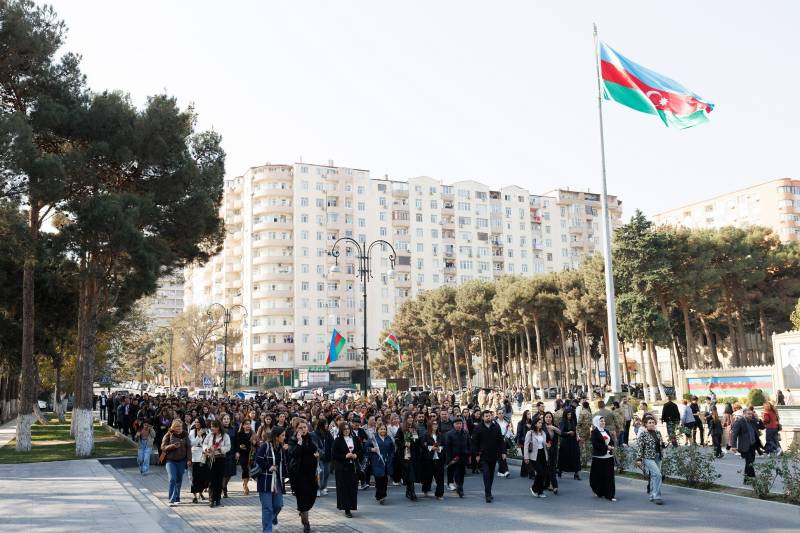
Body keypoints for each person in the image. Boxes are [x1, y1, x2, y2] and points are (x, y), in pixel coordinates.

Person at [255, 427, 288, 533]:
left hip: (277, 480)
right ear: (276, 437)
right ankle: (267, 530)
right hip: (265, 480)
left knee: (279, 505)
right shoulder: (266, 446)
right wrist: (269, 466)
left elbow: (285, 464)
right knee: (267, 508)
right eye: (282, 435)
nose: (284, 437)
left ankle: (271, 519)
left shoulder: (281, 448)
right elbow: (258, 459)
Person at [287, 419, 318, 533]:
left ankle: (303, 510)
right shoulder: (293, 439)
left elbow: (315, 449)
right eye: (300, 428)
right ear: (296, 429)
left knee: (311, 497)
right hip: (298, 475)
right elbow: (294, 454)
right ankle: (306, 523)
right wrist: (299, 442)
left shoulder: (311, 438)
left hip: (310, 474)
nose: (303, 429)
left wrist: (317, 454)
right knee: (303, 501)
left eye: (305, 427)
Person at [471, 409, 506, 503]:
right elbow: (474, 443)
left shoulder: (496, 427)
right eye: (486, 416)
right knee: (486, 474)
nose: (488, 417)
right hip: (483, 456)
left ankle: (488, 491)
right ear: (483, 417)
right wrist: (476, 455)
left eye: (489, 416)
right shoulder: (478, 428)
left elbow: (500, 441)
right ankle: (488, 494)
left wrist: (503, 452)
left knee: (491, 475)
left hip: (493, 455)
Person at [333, 422, 362, 517]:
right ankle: (346, 509)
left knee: (353, 487)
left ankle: (352, 506)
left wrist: (356, 455)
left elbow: (360, 450)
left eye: (348, 429)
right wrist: (344, 456)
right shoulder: (338, 440)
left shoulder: (355, 439)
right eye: (344, 429)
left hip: (353, 467)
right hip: (342, 468)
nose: (346, 431)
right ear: (341, 430)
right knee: (344, 488)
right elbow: (334, 454)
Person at [161, 419, 191, 506]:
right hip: (170, 461)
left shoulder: (185, 435)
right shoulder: (169, 434)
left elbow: (189, 448)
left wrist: (189, 459)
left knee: (179, 479)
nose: (179, 428)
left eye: (180, 427)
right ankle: (171, 499)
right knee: (172, 478)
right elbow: (163, 447)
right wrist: (172, 446)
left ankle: (177, 497)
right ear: (173, 427)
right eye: (177, 426)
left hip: (182, 461)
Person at [635, 415, 664, 505]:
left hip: (658, 457)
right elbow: (640, 447)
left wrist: (663, 444)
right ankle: (657, 496)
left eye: (653, 423)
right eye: (649, 423)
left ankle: (652, 495)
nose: (651, 424)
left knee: (653, 476)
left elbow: (660, 444)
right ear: (646, 424)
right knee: (658, 475)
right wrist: (639, 459)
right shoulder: (643, 434)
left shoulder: (658, 433)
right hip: (648, 458)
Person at [203, 419, 231, 507]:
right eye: (211, 427)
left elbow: (228, 447)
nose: (212, 428)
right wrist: (206, 449)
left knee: (219, 480)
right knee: (211, 480)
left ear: (218, 427)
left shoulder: (225, 436)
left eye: (214, 427)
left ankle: (218, 499)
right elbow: (204, 443)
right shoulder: (209, 435)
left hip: (220, 459)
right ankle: (211, 499)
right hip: (211, 459)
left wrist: (220, 449)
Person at [589, 415, 616, 502]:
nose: (603, 422)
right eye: (601, 421)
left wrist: (611, 446)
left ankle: (610, 495)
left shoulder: (606, 431)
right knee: (598, 476)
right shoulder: (594, 432)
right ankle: (599, 491)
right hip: (599, 457)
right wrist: (606, 448)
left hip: (609, 457)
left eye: (604, 421)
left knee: (609, 476)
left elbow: (611, 442)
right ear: (597, 422)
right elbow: (595, 445)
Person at [524, 416, 549, 498]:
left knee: (543, 473)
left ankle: (540, 491)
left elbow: (543, 444)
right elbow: (526, 445)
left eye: (541, 423)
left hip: (542, 454)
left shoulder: (543, 433)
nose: (541, 424)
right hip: (534, 456)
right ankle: (534, 488)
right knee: (540, 472)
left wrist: (547, 445)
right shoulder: (530, 433)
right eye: (539, 423)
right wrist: (526, 457)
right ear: (535, 424)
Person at [421, 419, 446, 500]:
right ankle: (425, 489)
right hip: (429, 459)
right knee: (428, 476)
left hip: (439, 458)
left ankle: (439, 494)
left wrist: (440, 448)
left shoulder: (440, 435)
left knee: (440, 477)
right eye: (433, 424)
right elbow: (423, 445)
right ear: (430, 426)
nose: (435, 425)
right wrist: (431, 448)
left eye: (436, 424)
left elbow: (444, 444)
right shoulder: (425, 434)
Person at [370, 423, 395, 504]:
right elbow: (366, 447)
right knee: (379, 479)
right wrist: (372, 449)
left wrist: (391, 456)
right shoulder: (374, 438)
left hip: (387, 462)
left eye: (384, 429)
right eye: (381, 429)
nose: (383, 430)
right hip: (377, 461)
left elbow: (392, 449)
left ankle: (382, 495)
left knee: (385, 480)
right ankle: (380, 495)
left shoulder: (388, 438)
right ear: (378, 430)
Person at [731, 408, 758, 482]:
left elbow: (761, 426)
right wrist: (733, 445)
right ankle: (753, 478)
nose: (750, 415)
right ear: (744, 414)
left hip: (752, 445)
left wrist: (756, 417)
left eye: (751, 414)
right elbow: (734, 434)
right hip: (744, 446)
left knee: (750, 462)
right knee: (749, 462)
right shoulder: (739, 422)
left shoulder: (752, 421)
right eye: (748, 414)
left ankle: (746, 479)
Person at [445, 417, 469, 498]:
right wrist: (449, 460)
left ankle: (460, 485)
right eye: (457, 424)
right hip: (454, 457)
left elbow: (469, 444)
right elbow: (447, 448)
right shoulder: (449, 434)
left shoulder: (465, 433)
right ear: (453, 425)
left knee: (462, 473)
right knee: (457, 473)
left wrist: (469, 454)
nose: (459, 425)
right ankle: (459, 488)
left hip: (464, 456)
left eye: (460, 424)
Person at [397, 416, 419, 501]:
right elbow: (397, 440)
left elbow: (417, 441)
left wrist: (413, 438)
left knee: (412, 472)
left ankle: (411, 491)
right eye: (408, 418)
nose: (410, 419)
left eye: (411, 418)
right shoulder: (401, 429)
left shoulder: (414, 429)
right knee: (408, 473)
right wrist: (404, 444)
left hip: (413, 454)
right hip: (404, 454)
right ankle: (409, 490)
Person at [311, 417, 334, 497]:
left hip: (327, 456)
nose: (327, 425)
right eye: (326, 424)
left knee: (327, 473)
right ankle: (317, 488)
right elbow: (315, 446)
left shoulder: (328, 433)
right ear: (322, 425)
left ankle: (323, 487)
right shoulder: (314, 434)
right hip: (319, 457)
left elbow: (332, 443)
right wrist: (321, 452)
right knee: (320, 472)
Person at [189, 418, 209, 503]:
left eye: (198, 422)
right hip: (194, 456)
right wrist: (198, 436)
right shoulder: (192, 432)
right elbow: (192, 443)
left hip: (203, 455)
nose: (197, 423)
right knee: (195, 476)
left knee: (203, 476)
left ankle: (200, 492)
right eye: (195, 422)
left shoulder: (207, 432)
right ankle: (194, 495)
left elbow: (207, 443)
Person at [558, 409, 581, 480]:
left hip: (573, 441)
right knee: (564, 457)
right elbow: (561, 433)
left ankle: (576, 473)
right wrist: (568, 433)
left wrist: (577, 436)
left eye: (570, 414)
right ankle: (560, 471)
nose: (569, 416)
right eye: (568, 414)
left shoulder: (573, 421)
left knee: (576, 456)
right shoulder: (562, 422)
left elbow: (575, 430)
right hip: (565, 442)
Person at [543, 411, 561, 494]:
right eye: (546, 417)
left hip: (553, 450)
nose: (548, 418)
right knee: (546, 468)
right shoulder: (541, 427)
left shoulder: (554, 426)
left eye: (550, 417)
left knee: (552, 468)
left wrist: (554, 428)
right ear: (544, 418)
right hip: (544, 451)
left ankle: (554, 485)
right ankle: (548, 484)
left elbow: (562, 433)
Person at [221, 413, 237, 498]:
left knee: (230, 473)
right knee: (223, 473)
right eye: (224, 419)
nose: (226, 420)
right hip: (222, 454)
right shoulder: (219, 429)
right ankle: (224, 489)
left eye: (228, 419)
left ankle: (224, 486)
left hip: (232, 453)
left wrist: (237, 452)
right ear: (221, 420)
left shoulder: (233, 429)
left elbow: (236, 441)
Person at [236, 419, 254, 495]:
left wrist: (255, 443)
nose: (248, 425)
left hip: (251, 454)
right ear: (243, 425)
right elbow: (236, 444)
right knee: (245, 469)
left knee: (250, 470)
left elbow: (256, 444)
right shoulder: (239, 433)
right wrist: (239, 447)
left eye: (249, 424)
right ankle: (245, 486)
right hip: (243, 454)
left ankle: (246, 484)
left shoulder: (253, 433)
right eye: (246, 424)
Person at [516, 410, 534, 479]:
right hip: (523, 442)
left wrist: (530, 427)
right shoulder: (521, 423)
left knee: (526, 457)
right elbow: (518, 433)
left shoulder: (532, 423)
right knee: (526, 457)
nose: (529, 415)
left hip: (531, 442)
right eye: (528, 414)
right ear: (525, 415)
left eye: (530, 414)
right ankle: (531, 473)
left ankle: (523, 473)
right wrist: (518, 442)